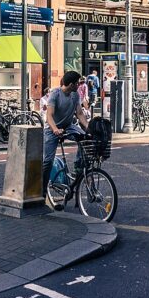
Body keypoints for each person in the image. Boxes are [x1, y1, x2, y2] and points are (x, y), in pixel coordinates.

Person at [42, 71, 90, 202]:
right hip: (52, 128)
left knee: (85, 138)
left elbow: (79, 114)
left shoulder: (75, 95)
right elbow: (49, 116)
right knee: (47, 161)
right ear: (71, 84)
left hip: (68, 126)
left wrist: (88, 128)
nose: (79, 85)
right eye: (77, 83)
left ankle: (78, 167)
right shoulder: (55, 94)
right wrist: (55, 129)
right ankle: (42, 191)